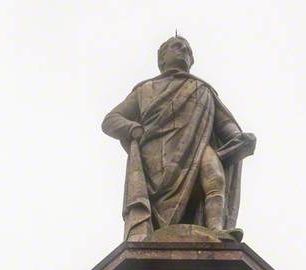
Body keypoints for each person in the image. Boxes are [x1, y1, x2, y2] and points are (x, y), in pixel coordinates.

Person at [102, 35, 256, 241]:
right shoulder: (144, 90)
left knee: (215, 177)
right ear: (161, 59)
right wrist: (133, 129)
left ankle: (216, 230)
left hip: (198, 144)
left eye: (188, 50)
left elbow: (223, 122)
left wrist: (238, 138)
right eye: (176, 47)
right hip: (156, 154)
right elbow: (111, 120)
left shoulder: (202, 89)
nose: (183, 50)